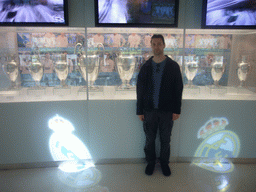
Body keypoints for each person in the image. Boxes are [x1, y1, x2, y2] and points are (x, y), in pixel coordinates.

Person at [136, 34, 183, 176]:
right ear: (151, 45)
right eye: (154, 44)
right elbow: (140, 90)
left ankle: (164, 163)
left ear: (164, 45)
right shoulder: (146, 67)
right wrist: (140, 111)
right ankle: (150, 163)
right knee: (149, 140)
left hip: (167, 111)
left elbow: (178, 89)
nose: (157, 47)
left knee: (165, 140)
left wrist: (176, 110)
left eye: (159, 44)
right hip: (149, 111)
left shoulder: (173, 66)